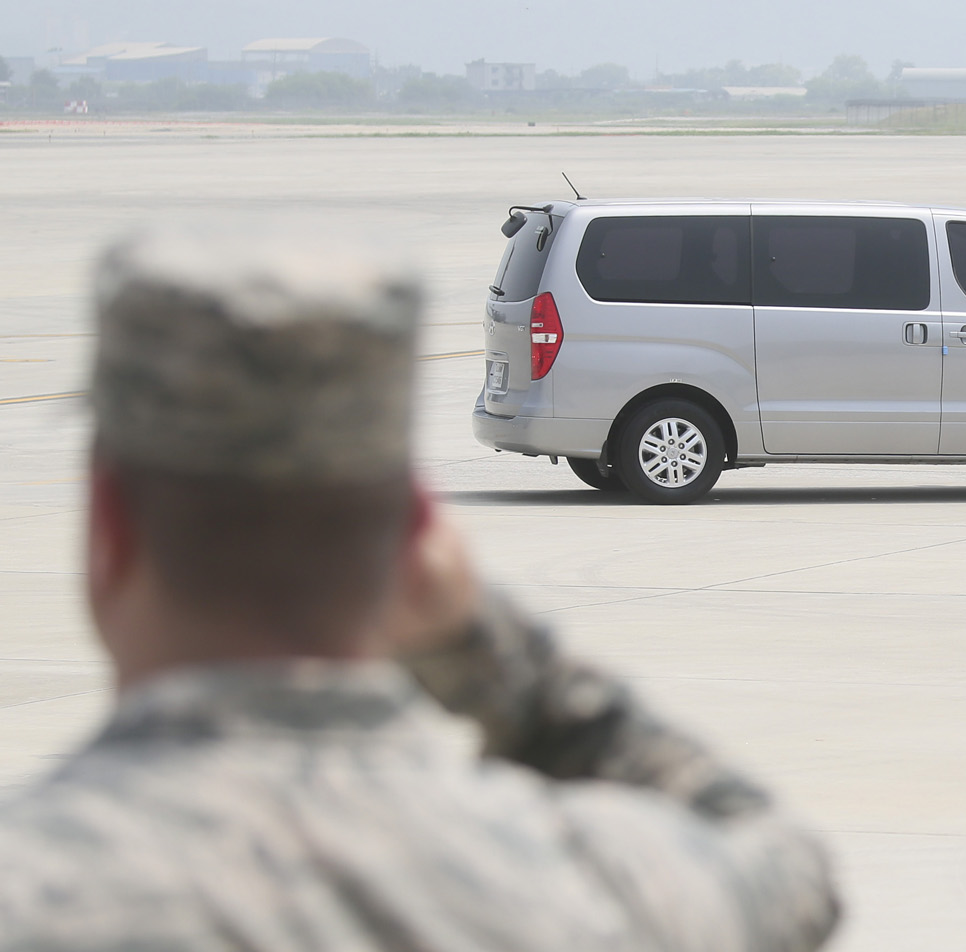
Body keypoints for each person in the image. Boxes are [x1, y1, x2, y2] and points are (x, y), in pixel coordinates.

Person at [0, 230, 839, 951]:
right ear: (417, 538)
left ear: (107, 531)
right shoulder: (601, 884)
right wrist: (492, 654)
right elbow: (785, 866)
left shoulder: (31, 885)